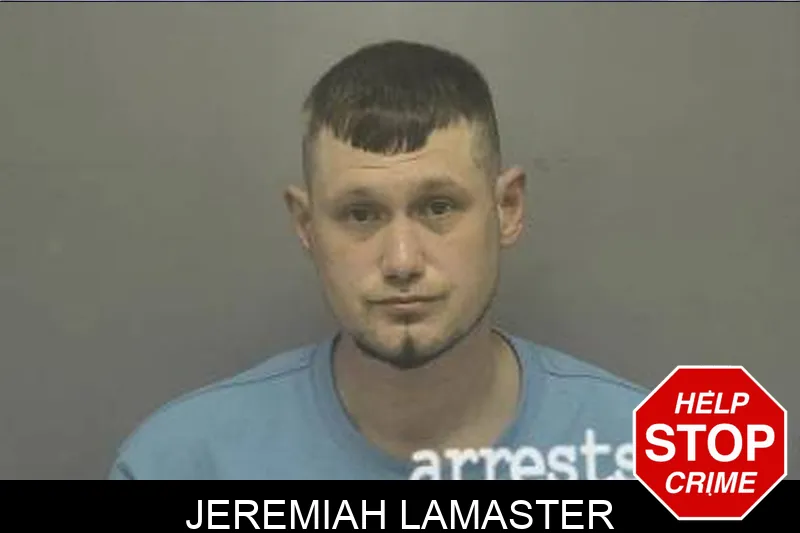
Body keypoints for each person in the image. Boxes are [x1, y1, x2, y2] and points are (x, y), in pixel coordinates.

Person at [108, 40, 648, 481]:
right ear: (306, 225)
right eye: (361, 214)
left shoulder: (651, 457)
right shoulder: (181, 465)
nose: (402, 261)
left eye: (438, 207)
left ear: (506, 208)